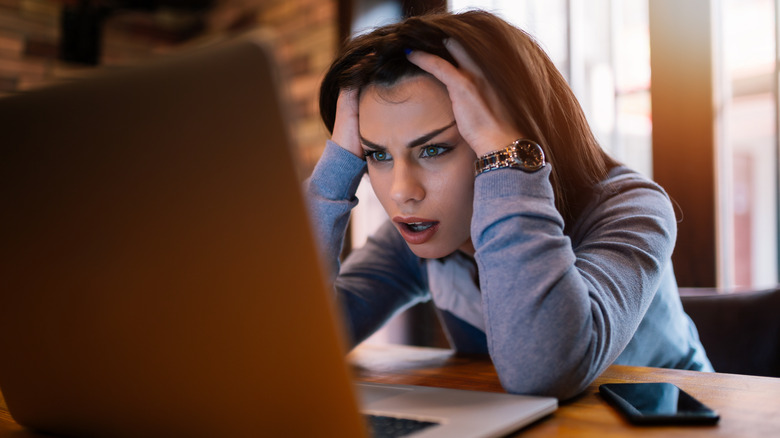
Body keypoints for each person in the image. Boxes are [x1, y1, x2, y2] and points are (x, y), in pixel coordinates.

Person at [305, 10, 712, 400]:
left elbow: (544, 372)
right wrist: (335, 168)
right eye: (377, 155)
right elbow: (296, 344)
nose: (400, 191)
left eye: (433, 149)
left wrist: (507, 157)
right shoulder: (421, 228)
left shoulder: (633, 209)